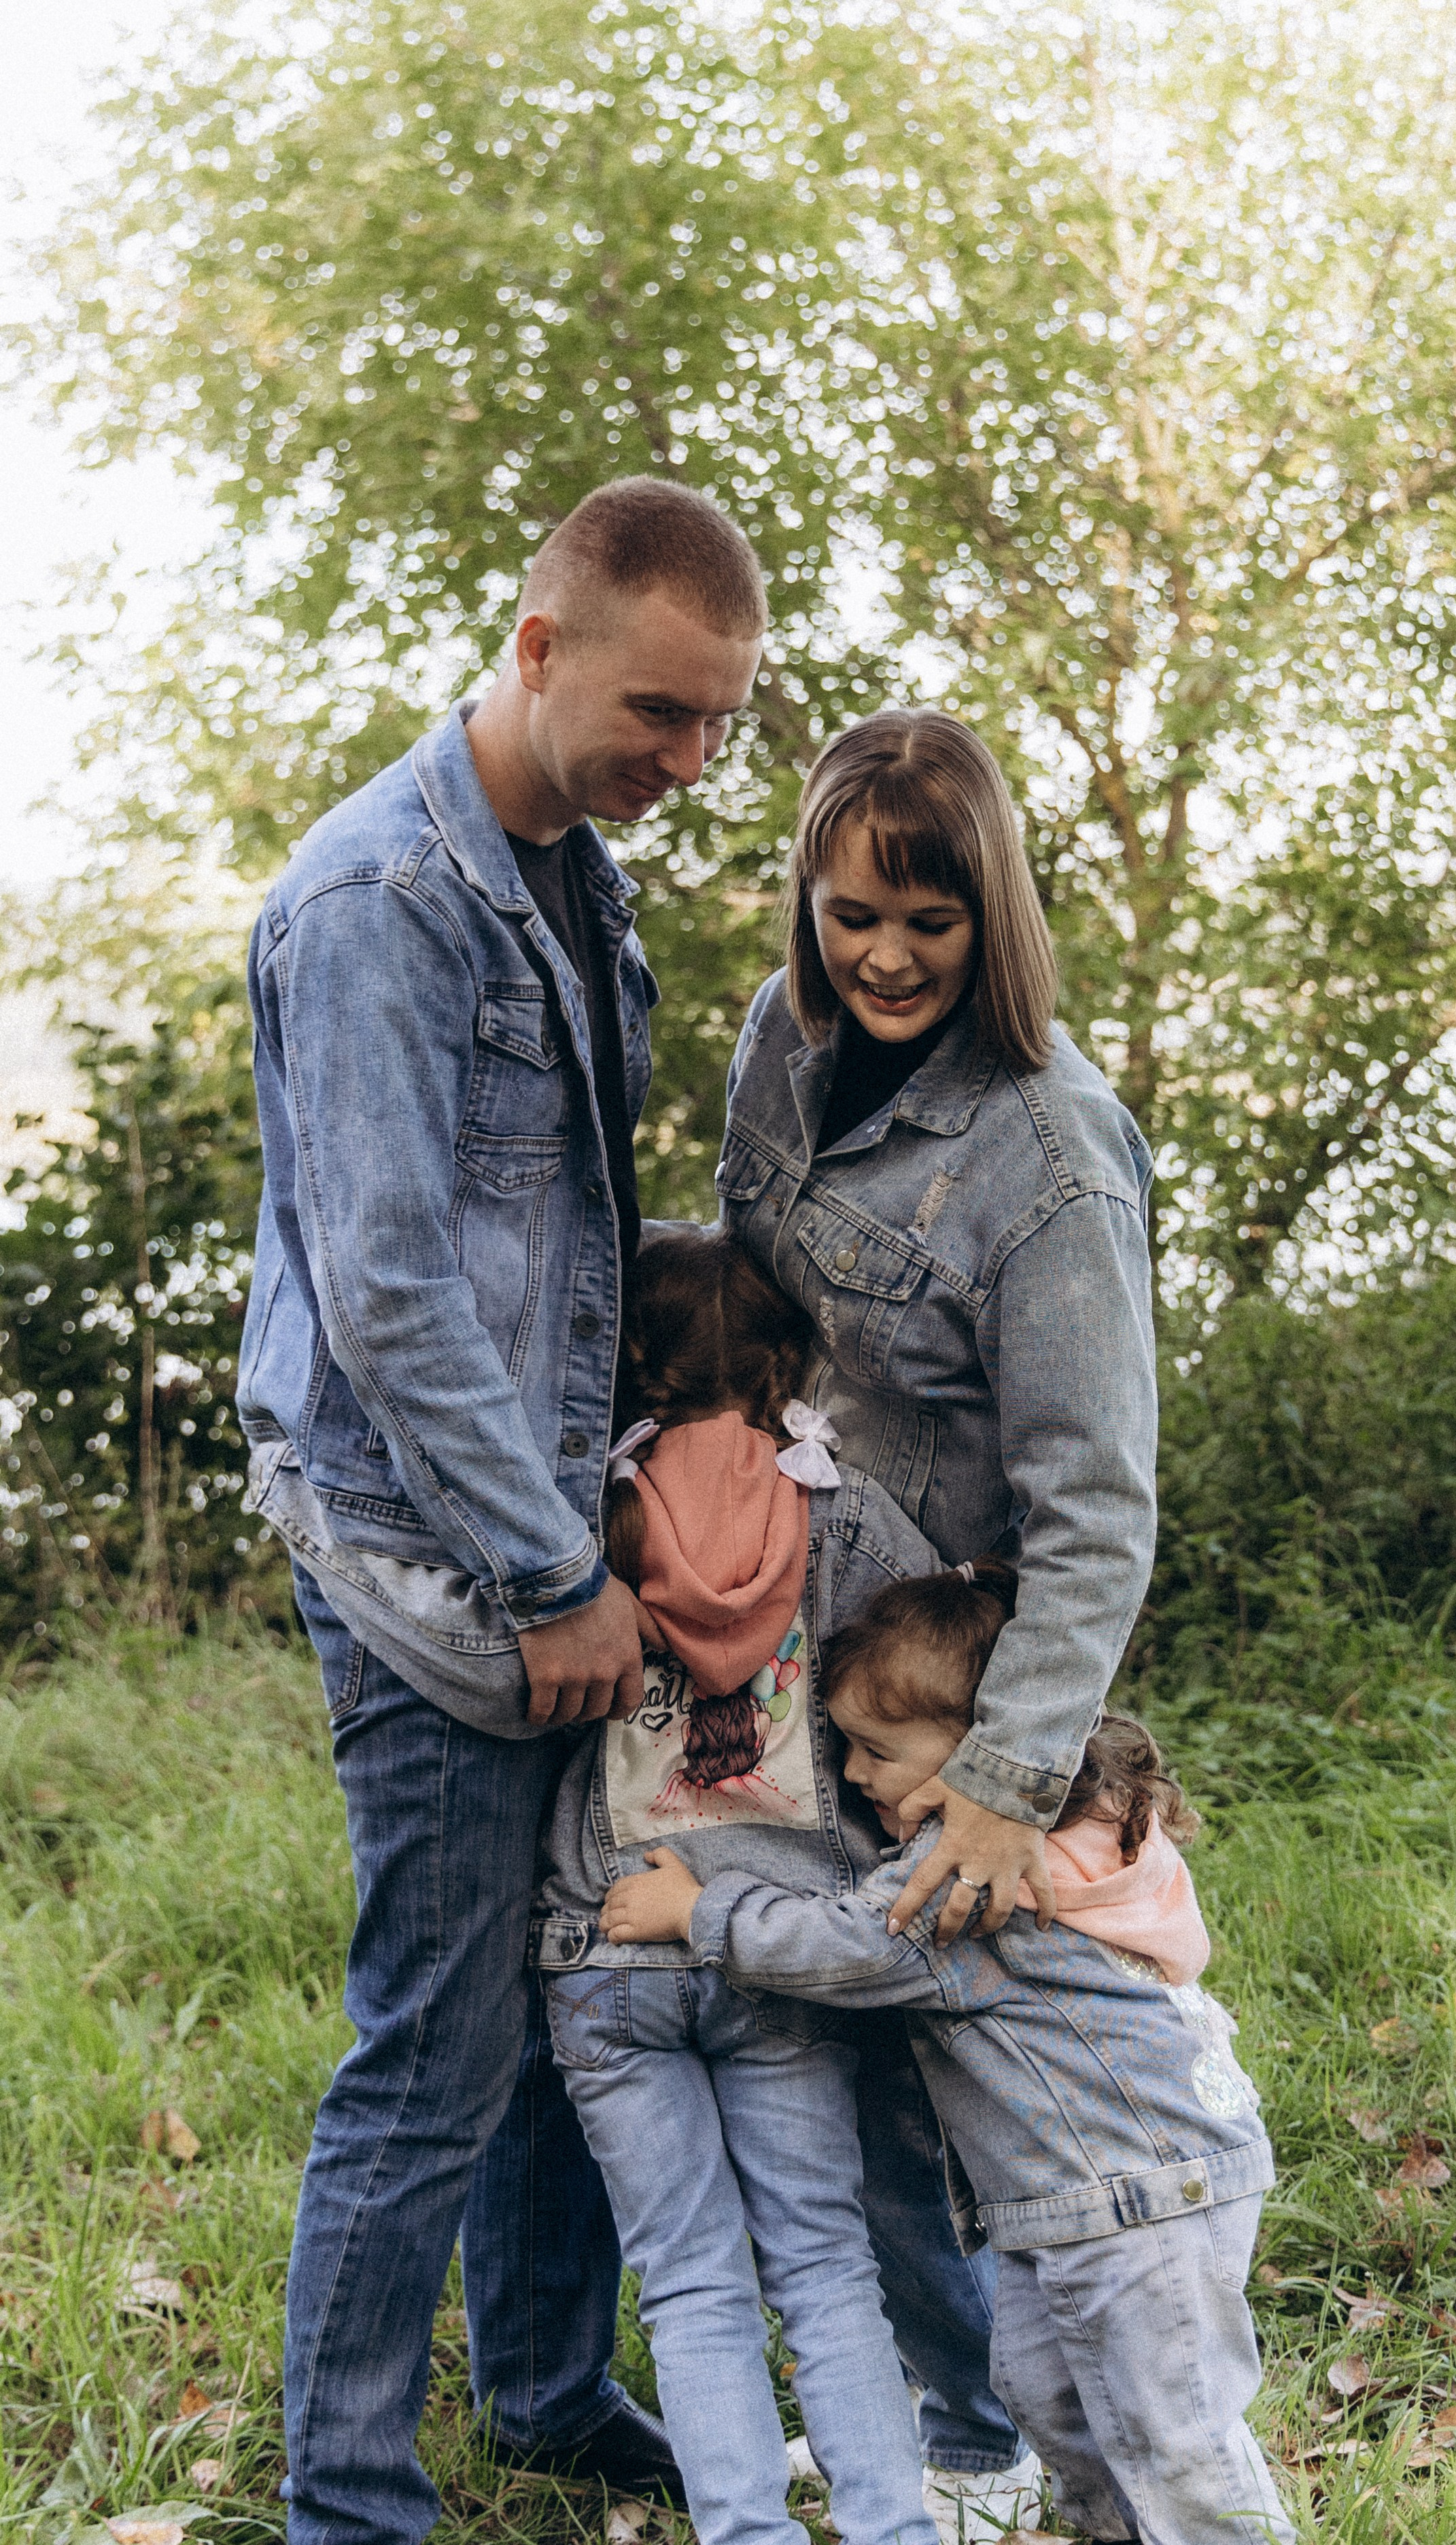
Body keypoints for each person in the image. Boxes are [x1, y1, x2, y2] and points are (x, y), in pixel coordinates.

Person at [238, 477, 768, 2545]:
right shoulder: (380, 900)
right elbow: (385, 1288)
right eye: (659, 711)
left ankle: (547, 2395)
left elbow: (569, 1243)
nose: (689, 759)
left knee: (570, 2006)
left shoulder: (576, 880)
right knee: (439, 2045)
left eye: (719, 722)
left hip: (562, 1545)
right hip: (432, 1557)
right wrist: (553, 1575)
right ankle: (349, 2500)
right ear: (540, 648)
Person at [603, 1563, 1294, 2545]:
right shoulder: (1070, 1825)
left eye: (878, 1751)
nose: (853, 1774)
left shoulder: (970, 1877)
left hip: (1137, 2193)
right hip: (1091, 2195)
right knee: (1047, 2394)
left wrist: (699, 1911)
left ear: (982, 1751)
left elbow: (854, 1945)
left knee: (1173, 2430)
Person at [716, 707, 1160, 1953]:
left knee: (915, 2010)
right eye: (852, 917)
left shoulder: (1054, 1162)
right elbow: (749, 1304)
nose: (887, 960)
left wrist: (1006, 1779)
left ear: (993, 916)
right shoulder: (782, 1033)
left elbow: (1096, 1509)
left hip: (921, 1691)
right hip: (761, 1620)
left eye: (932, 923)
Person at [532, 1226, 941, 2545]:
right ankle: (892, 2530)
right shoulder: (844, 1514)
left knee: (689, 2287)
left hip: (607, 1949)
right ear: (783, 1365)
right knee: (826, 2270)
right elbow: (939, 1668)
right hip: (784, 1946)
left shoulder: (575, 1522)